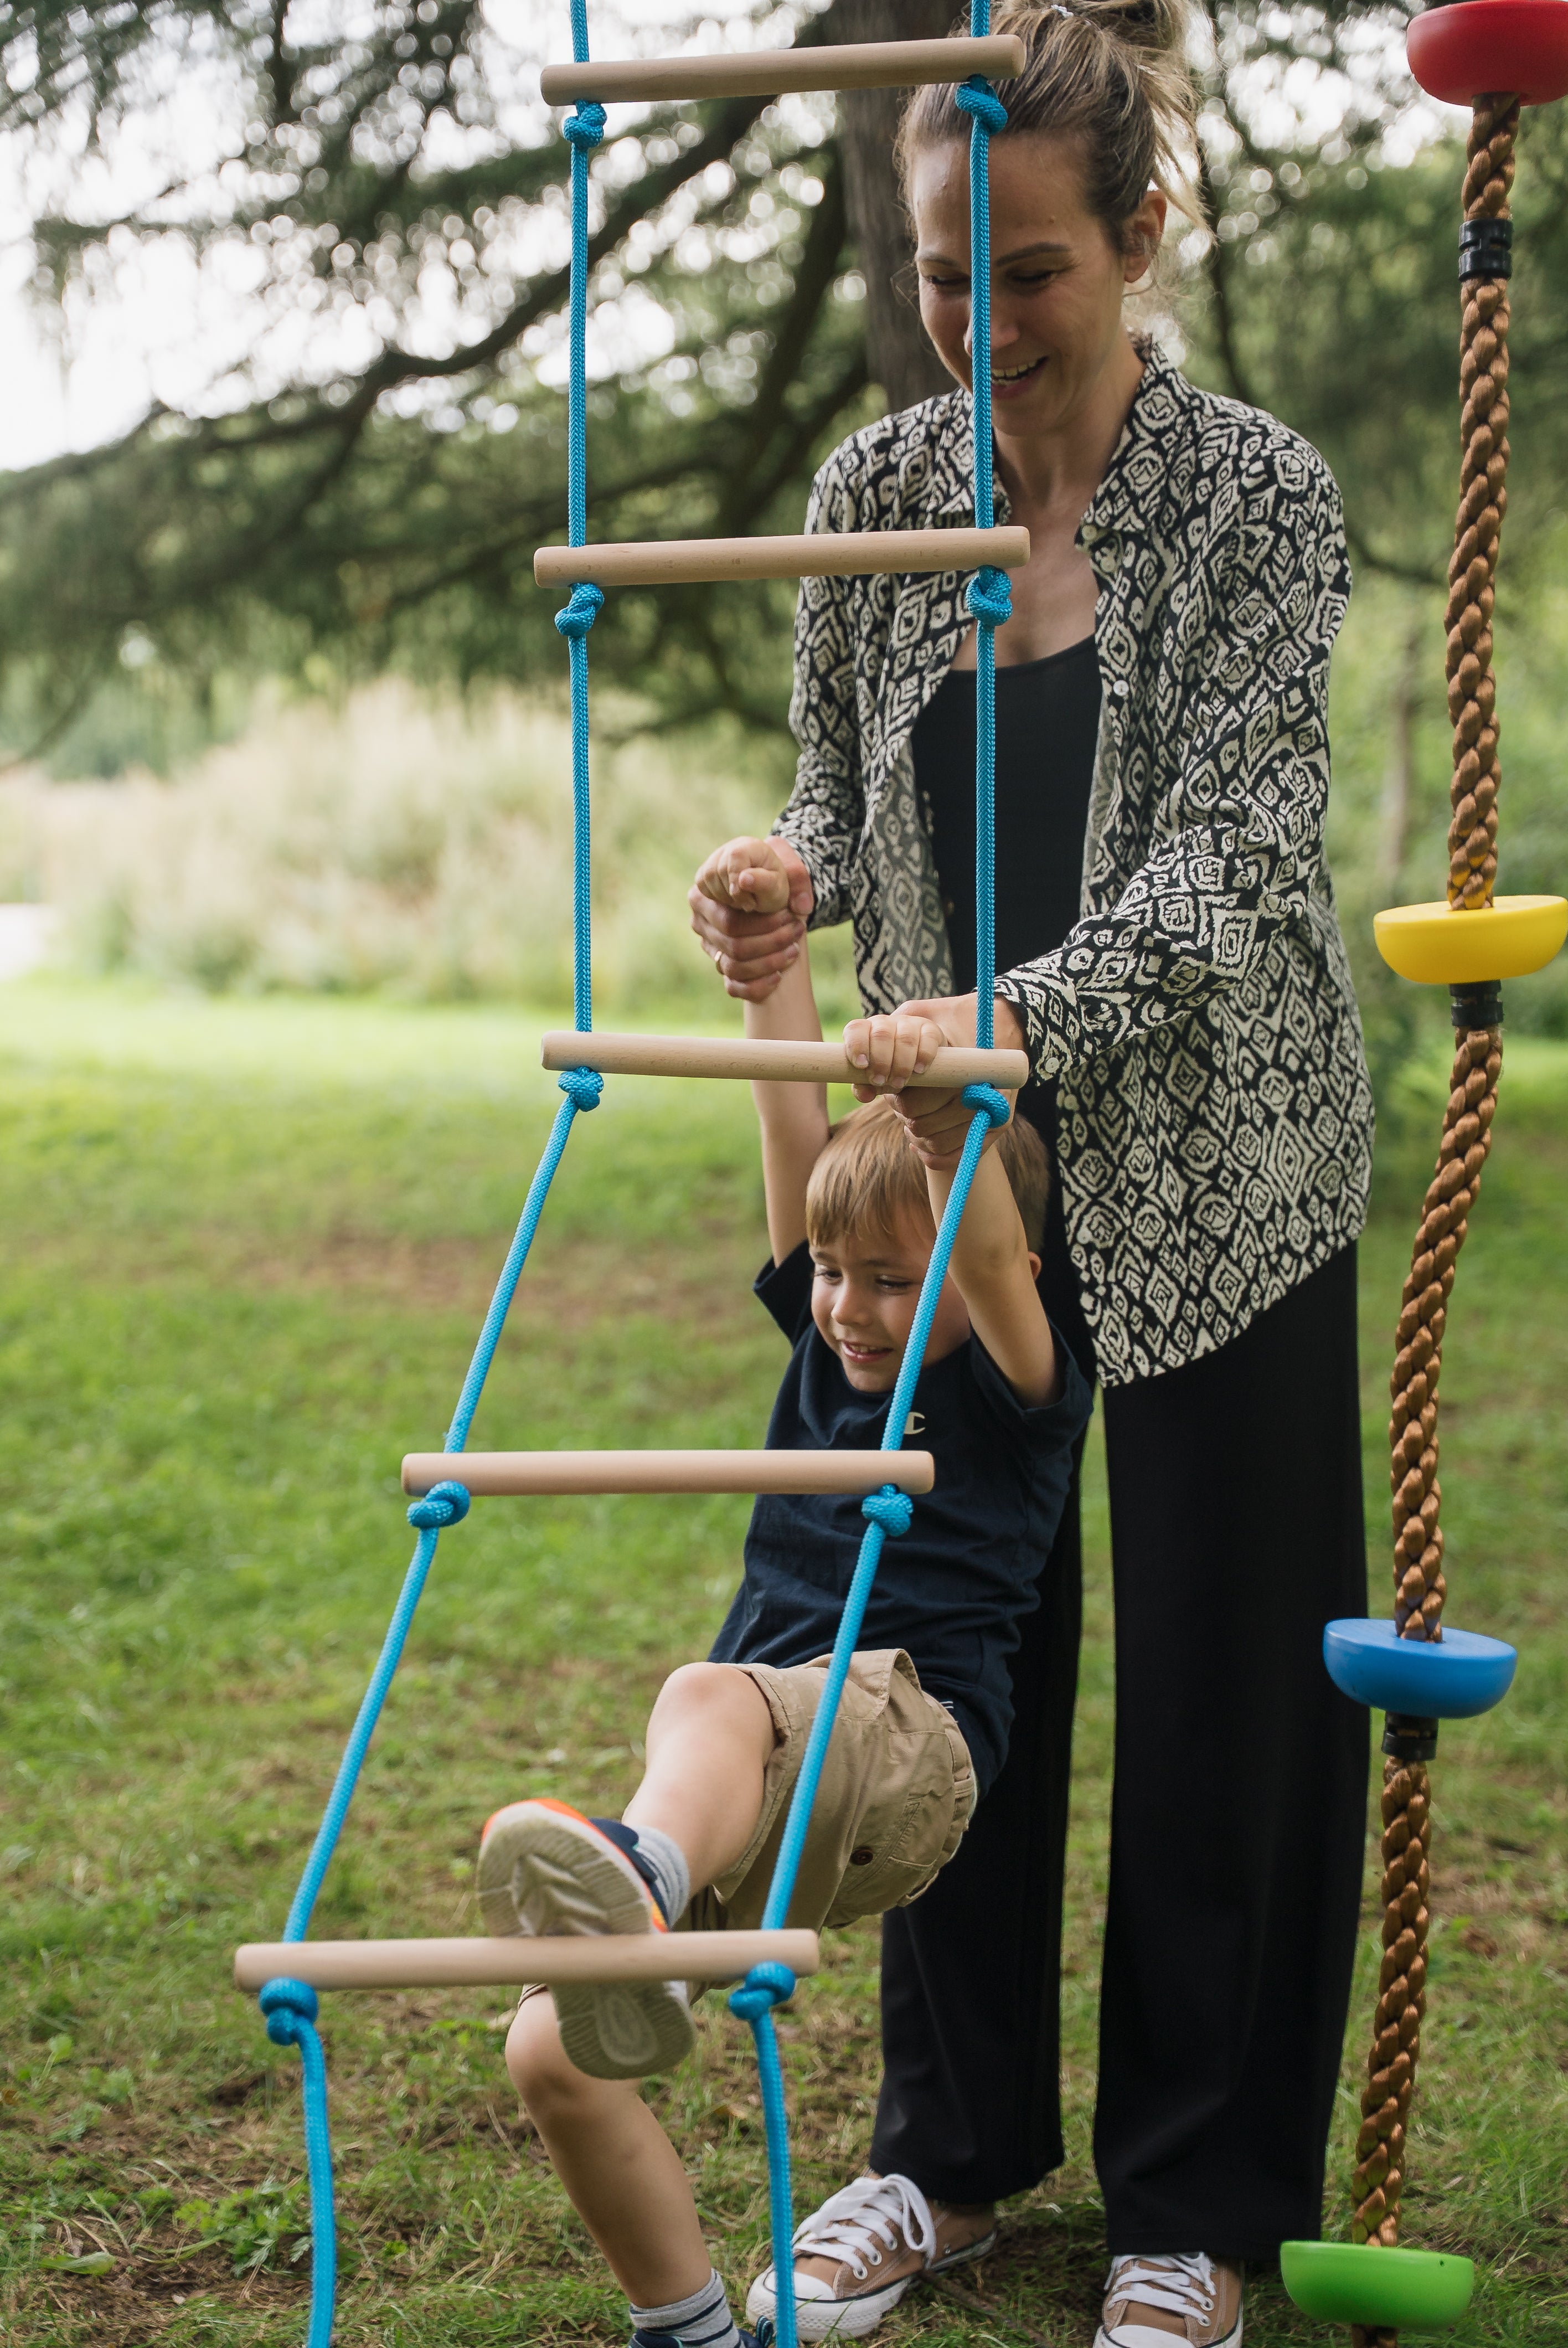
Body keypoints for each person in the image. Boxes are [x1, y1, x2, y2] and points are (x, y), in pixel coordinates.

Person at [687, 4, 1376, 2345]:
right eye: (943, 273)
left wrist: (1021, 1019)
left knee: (1217, 1683)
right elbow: (826, 772)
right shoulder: (879, 494)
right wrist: (779, 886)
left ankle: (1193, 2201)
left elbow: (1242, 850)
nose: (986, 323)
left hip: (1219, 1166)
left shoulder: (1257, 497)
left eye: (1039, 271)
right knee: (938, 1649)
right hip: (949, 1174)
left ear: (1143, 238)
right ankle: (947, 2158)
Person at [486, 923, 1092, 2348]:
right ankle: (688, 2319)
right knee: (551, 2046)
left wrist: (949, 1102)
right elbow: (789, 1108)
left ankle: (635, 1870)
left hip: (911, 1747)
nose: (847, 1308)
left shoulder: (1022, 1384)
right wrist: (771, 954)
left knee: (710, 1690)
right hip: (768, 1765)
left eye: (892, 1277)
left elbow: (987, 1239)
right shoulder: (822, 1339)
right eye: (833, 1268)